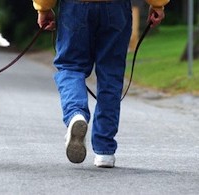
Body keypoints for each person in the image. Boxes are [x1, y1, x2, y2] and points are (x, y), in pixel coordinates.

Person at [33, 0, 169, 168]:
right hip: (116, 8)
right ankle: (105, 151)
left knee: (70, 66)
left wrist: (44, 7)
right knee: (111, 74)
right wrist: (157, 4)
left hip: (75, 7)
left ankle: (76, 114)